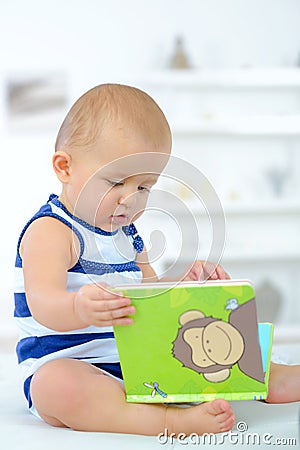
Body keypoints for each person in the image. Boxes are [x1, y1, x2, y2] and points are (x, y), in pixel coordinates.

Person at [14, 84, 299, 437]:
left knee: (215, 334)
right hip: (76, 365)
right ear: (64, 167)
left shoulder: (128, 236)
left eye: (144, 187)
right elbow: (41, 303)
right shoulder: (52, 231)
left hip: (140, 360)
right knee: (56, 386)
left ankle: (266, 377)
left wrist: (184, 283)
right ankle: (169, 421)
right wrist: (78, 308)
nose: (130, 200)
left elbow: (152, 298)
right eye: (117, 182)